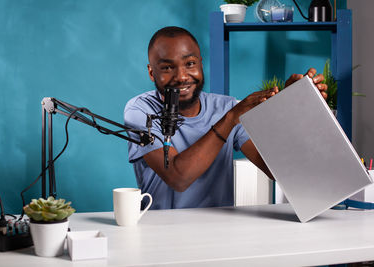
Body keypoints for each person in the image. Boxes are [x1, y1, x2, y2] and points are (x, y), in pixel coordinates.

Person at [124, 26, 327, 210]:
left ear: (201, 64)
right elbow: (178, 178)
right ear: (152, 72)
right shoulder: (140, 111)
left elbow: (281, 171)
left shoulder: (226, 108)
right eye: (167, 68)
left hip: (218, 232)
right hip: (159, 232)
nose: (182, 76)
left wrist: (291, 109)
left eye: (190, 63)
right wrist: (230, 119)